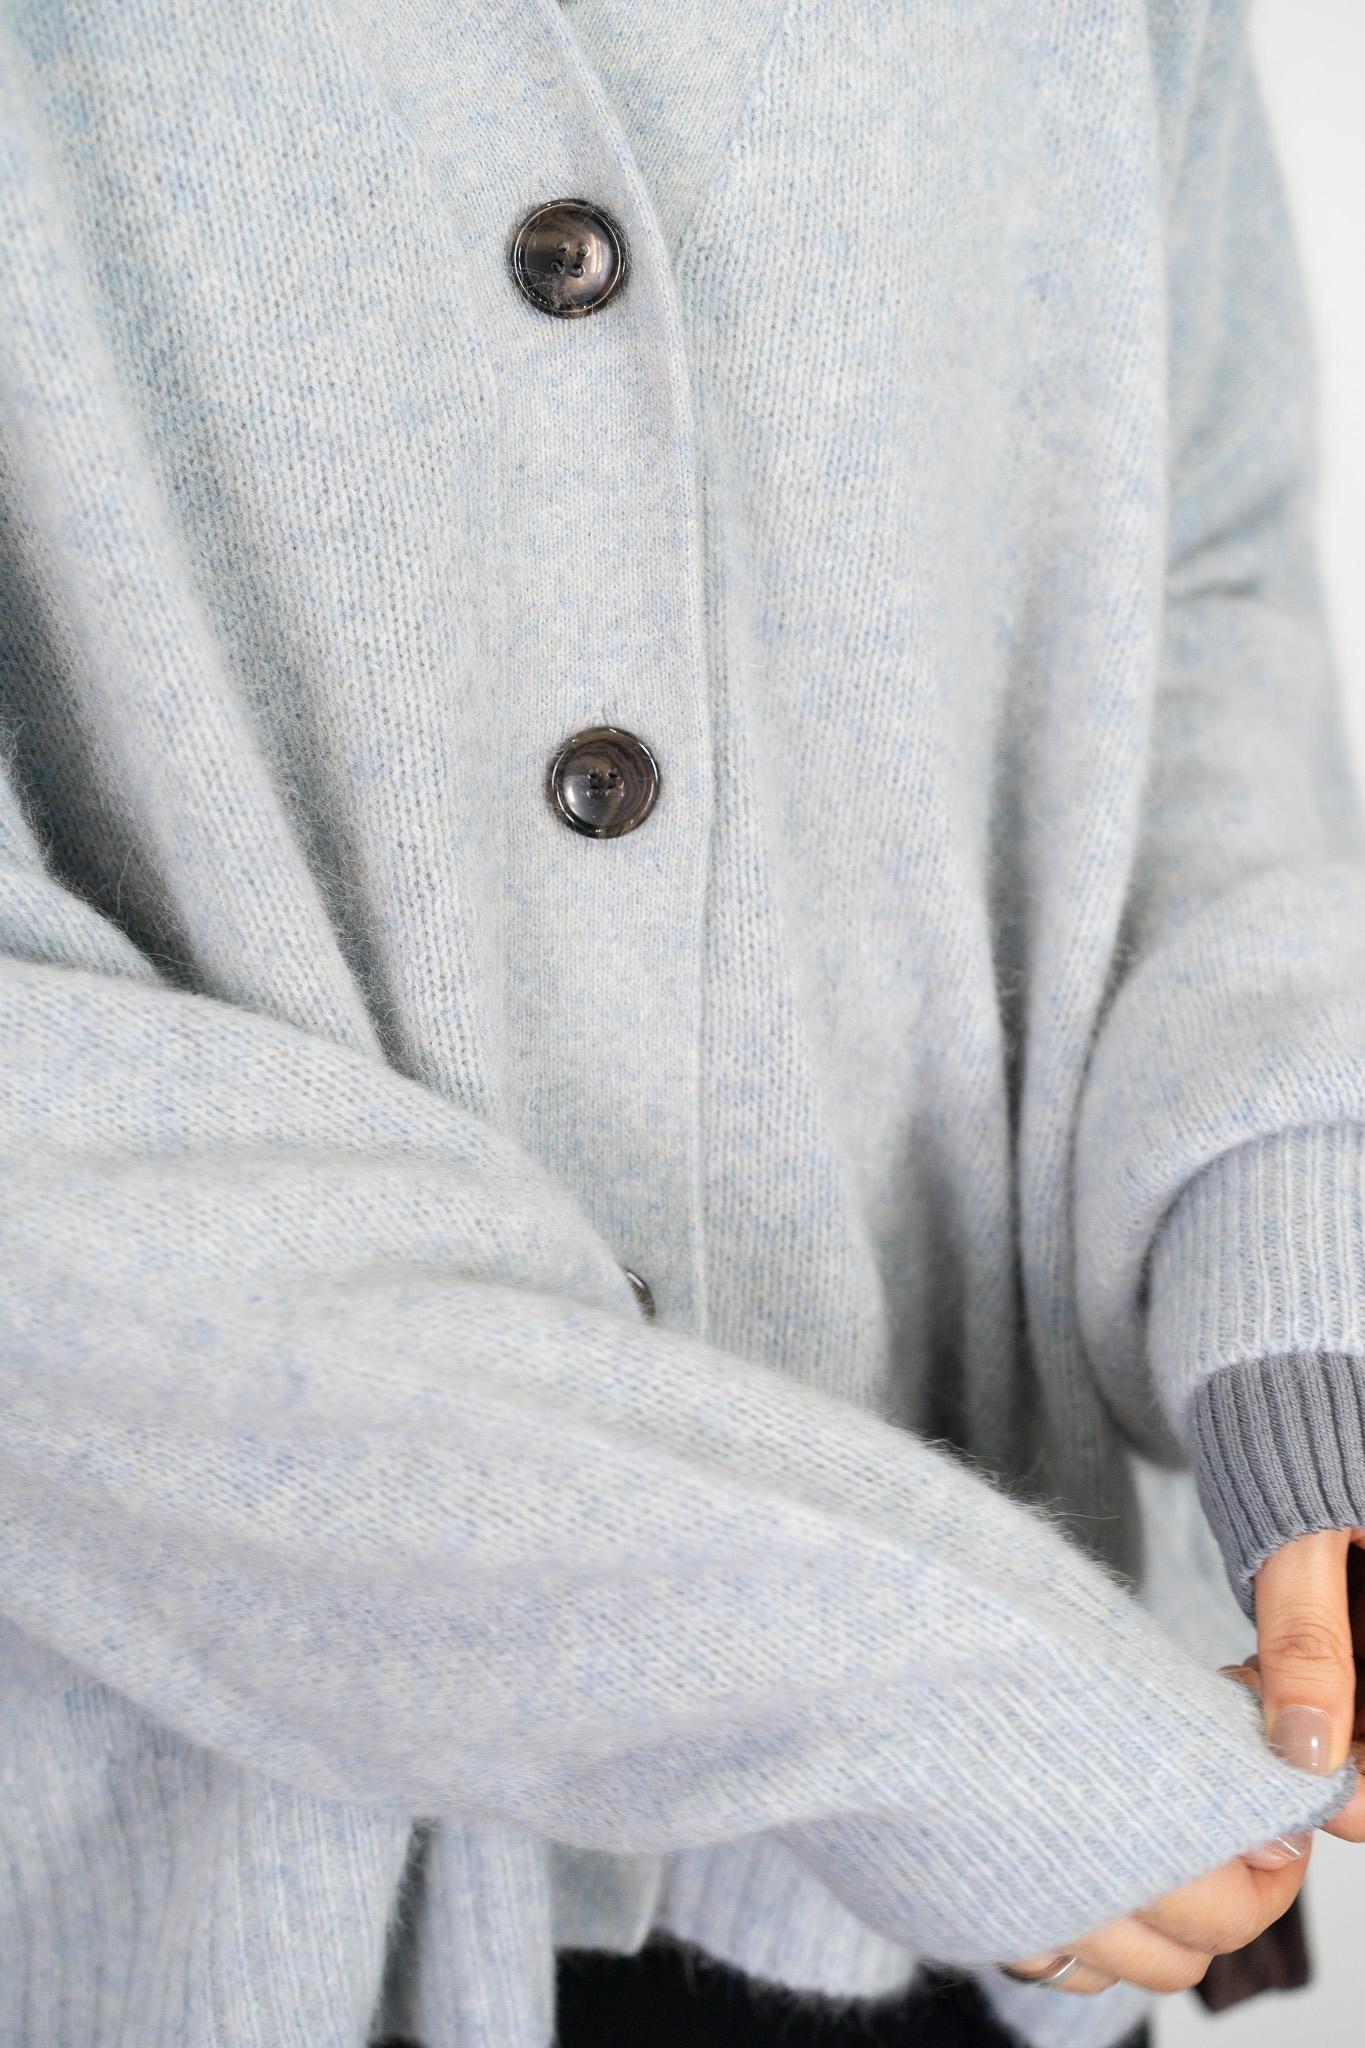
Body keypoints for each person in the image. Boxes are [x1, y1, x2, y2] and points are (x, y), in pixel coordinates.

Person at [2, 3, 1364, 2046]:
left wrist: (1294, 1294)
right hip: (212, 1880)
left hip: (1009, 1891)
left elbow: (1181, 566)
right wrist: (896, 1685)